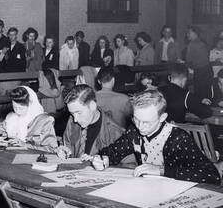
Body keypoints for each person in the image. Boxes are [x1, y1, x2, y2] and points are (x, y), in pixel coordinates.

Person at [86, 90, 220, 184]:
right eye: (136, 120)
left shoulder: (177, 138)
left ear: (162, 118)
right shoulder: (134, 132)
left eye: (147, 122)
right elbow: (114, 150)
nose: (140, 127)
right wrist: (104, 159)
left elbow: (211, 175)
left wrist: (161, 170)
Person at [56, 84, 123, 159]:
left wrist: (102, 163)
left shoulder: (115, 133)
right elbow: (67, 145)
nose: (75, 119)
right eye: (72, 113)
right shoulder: (72, 121)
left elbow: (128, 167)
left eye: (79, 113)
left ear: (93, 106)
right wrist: (64, 152)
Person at [185, 25, 213, 99]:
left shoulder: (192, 44)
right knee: (207, 93)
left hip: (200, 72)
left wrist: (184, 63)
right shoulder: (203, 42)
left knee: (199, 94)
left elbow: (188, 60)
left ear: (195, 33)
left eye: (189, 33)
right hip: (208, 70)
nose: (187, 34)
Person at [0, 27, 26, 95]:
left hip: (15, 76)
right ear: (7, 35)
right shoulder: (4, 46)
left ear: (16, 35)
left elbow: (23, 63)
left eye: (13, 35)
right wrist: (2, 53)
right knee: (3, 96)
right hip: (4, 76)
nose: (11, 37)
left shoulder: (21, 47)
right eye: (10, 35)